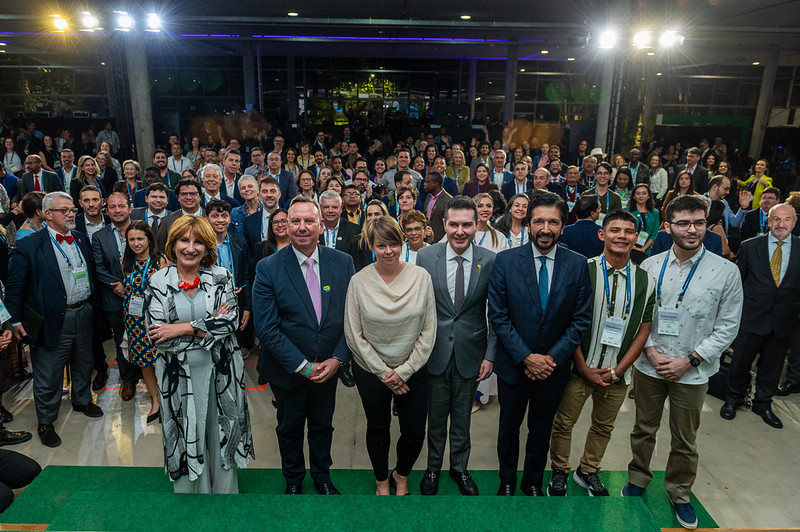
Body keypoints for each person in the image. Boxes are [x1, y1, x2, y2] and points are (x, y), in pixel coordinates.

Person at [622, 195, 743, 530]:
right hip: (650, 364)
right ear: (668, 226)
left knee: (685, 439)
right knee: (643, 428)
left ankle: (679, 493)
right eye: (684, 223)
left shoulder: (725, 272)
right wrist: (650, 352)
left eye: (699, 223)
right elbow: (638, 316)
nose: (692, 230)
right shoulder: (649, 265)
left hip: (693, 371)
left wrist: (689, 360)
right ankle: (637, 478)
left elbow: (728, 326)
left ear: (707, 224)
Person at [489, 191, 593, 497]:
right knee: (508, 430)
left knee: (541, 430)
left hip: (553, 369)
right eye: (539, 221)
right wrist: (526, 357)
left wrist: (551, 359)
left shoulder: (577, 265)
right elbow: (499, 315)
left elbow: (580, 320)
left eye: (553, 222)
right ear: (528, 222)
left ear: (563, 226)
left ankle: (533, 481)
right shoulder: (505, 262)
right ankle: (507, 480)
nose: (545, 228)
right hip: (514, 366)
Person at [548, 210, 656, 497]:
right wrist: (582, 367)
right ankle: (559, 470)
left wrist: (619, 370)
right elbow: (569, 322)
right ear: (602, 234)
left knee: (603, 427)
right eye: (615, 230)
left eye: (628, 231)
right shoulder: (583, 270)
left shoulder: (647, 280)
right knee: (563, 423)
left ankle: (588, 470)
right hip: (579, 367)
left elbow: (644, 330)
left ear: (636, 238)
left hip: (617, 373)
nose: (621, 236)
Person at [252, 196, 355, 495]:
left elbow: (351, 317)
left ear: (321, 226)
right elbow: (268, 328)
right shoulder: (268, 268)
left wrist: (338, 359)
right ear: (285, 226)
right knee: (290, 428)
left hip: (328, 368)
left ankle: (322, 477)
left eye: (309, 221)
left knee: (323, 426)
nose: (301, 227)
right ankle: (294, 480)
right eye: (294, 221)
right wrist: (302, 366)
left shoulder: (343, 262)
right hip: (288, 370)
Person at [145, 215, 253, 493]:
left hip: (222, 370)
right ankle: (191, 494)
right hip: (176, 374)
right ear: (173, 244)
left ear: (207, 246)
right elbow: (159, 336)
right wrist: (208, 328)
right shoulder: (157, 281)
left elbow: (229, 324)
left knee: (221, 432)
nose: (190, 248)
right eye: (184, 240)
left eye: (198, 242)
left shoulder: (221, 276)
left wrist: (179, 328)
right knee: (184, 432)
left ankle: (224, 494)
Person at [344, 216, 435, 496]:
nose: (388, 251)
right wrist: (384, 373)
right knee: (378, 427)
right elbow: (353, 332)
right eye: (381, 245)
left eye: (393, 244)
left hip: (414, 369)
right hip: (371, 370)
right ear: (371, 245)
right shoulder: (359, 281)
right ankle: (382, 480)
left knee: (415, 430)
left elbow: (429, 330)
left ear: (402, 242)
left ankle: (402, 473)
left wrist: (405, 371)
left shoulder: (421, 277)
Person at [7, 192, 104, 447]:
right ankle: (46, 421)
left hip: (82, 313)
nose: (71, 214)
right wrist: (15, 321)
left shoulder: (81, 239)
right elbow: (16, 287)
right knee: (49, 372)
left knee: (84, 362)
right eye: (65, 210)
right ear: (47, 214)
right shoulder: (29, 245)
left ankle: (82, 400)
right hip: (50, 319)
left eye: (72, 209)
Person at [416, 196, 496, 497]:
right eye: (454, 224)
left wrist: (490, 355)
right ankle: (433, 467)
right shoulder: (425, 257)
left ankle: (460, 469)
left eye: (467, 225)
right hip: (434, 353)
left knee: (462, 418)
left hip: (471, 354)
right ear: (444, 224)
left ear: (477, 225)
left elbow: (496, 312)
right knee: (435, 419)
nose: (460, 231)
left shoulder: (489, 260)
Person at [721, 203, 799, 429]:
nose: (781, 224)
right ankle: (732, 400)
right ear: (768, 221)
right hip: (752, 317)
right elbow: (737, 284)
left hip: (784, 320)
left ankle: (762, 403)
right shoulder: (750, 246)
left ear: (794, 223)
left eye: (786, 220)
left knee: (772, 367)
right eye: (776, 219)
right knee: (740, 362)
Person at [92, 192, 143, 401]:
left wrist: (133, 286)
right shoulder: (99, 237)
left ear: (130, 208)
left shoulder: (142, 231)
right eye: (112, 207)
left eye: (121, 206)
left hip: (143, 298)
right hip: (115, 298)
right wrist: (120, 286)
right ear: (107, 211)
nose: (117, 210)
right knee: (123, 341)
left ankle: (153, 379)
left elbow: (152, 258)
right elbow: (99, 267)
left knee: (147, 337)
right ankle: (128, 380)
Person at [121, 220, 164, 422]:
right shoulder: (127, 262)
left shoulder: (160, 261)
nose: (136, 243)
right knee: (145, 363)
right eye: (132, 239)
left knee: (161, 361)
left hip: (156, 320)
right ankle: (155, 400)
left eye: (140, 238)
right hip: (134, 321)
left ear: (149, 239)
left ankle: (167, 398)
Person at [318, 190, 371, 271]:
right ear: (319, 208)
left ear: (341, 208)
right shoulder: (313, 229)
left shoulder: (355, 230)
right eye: (326, 207)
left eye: (335, 207)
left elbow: (359, 263)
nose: (330, 211)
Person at [154, 179, 204, 253]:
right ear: (178, 197)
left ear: (200, 196)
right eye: (184, 194)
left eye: (192, 194)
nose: (188, 197)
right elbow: (161, 252)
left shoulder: (210, 218)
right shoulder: (166, 222)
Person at [628, 184, 660, 263]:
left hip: (647, 251)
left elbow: (654, 233)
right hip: (629, 249)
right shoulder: (627, 211)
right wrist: (634, 247)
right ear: (634, 196)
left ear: (649, 196)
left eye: (644, 193)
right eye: (638, 194)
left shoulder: (655, 213)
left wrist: (644, 248)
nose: (641, 196)